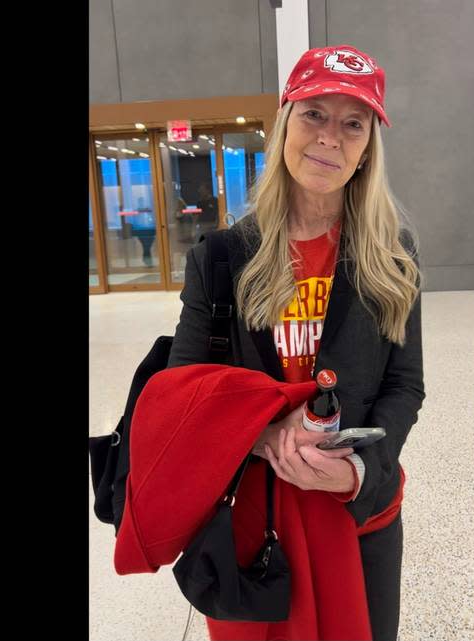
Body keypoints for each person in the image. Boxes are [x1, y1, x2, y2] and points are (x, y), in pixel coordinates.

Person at [168, 44, 423, 641]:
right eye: (314, 113)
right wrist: (264, 438)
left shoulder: (394, 256)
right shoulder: (223, 257)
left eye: (352, 123)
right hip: (255, 517)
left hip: (360, 515)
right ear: (285, 123)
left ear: (366, 150)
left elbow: (404, 385)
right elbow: (180, 389)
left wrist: (358, 472)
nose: (330, 137)